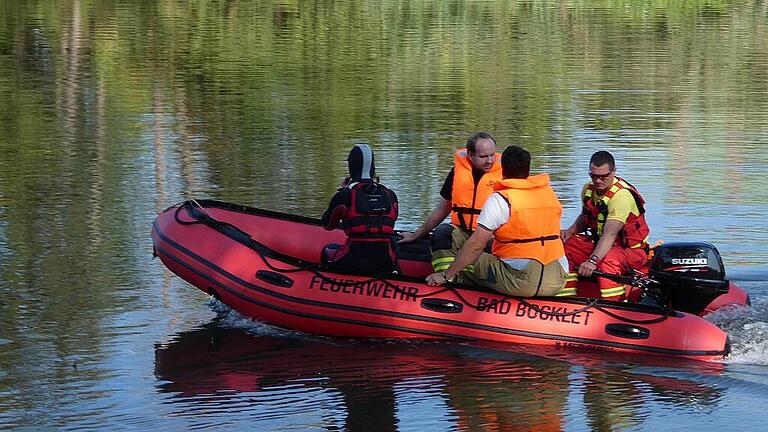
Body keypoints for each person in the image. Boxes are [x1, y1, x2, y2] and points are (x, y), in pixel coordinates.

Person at [425, 145, 568, 297]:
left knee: (464, 258)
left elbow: (475, 246)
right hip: (558, 278)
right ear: (528, 168)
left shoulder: (501, 199)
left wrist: (446, 274)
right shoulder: (548, 193)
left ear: (503, 168)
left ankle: (448, 286)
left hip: (523, 281)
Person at [398, 132, 503, 273]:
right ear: (470, 155)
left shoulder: (504, 175)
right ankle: (448, 280)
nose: (489, 161)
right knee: (442, 233)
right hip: (462, 231)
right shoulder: (457, 173)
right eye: (483, 156)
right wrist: (416, 234)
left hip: (490, 235)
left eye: (492, 155)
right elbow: (442, 209)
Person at [559, 150, 650, 301]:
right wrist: (570, 231)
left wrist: (592, 260)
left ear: (614, 172)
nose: (598, 181)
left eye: (604, 176)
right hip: (602, 245)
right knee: (564, 245)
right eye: (594, 176)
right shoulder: (588, 190)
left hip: (631, 251)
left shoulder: (621, 196)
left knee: (608, 260)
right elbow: (586, 216)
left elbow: (610, 234)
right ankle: (566, 301)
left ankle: (616, 306)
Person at [321, 144, 399, 273]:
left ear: (351, 166)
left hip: (354, 260)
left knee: (328, 249)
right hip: (386, 261)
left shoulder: (345, 195)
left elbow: (328, 225)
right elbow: (391, 221)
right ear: (373, 167)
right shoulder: (390, 195)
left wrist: (341, 190)